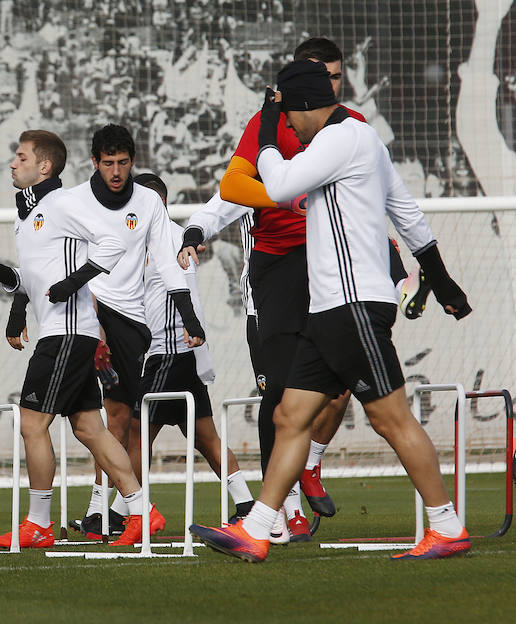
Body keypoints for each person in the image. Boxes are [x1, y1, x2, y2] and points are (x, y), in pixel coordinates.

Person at [190, 59, 472, 562]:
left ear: (299, 106)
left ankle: (447, 526)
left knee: (392, 419)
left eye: (291, 117)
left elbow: (276, 187)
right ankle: (257, 528)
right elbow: (406, 214)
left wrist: (268, 133)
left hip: (353, 305)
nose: (292, 128)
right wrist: (443, 279)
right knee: (290, 415)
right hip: (331, 309)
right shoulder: (358, 139)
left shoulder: (342, 139)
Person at [182, 38, 367, 542]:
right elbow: (231, 190)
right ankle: (279, 509)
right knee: (281, 394)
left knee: (345, 383)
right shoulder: (268, 125)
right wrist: (195, 231)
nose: (328, 85)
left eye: (335, 76)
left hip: (332, 271)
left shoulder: (352, 127)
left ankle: (310, 465)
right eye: (318, 75)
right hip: (272, 278)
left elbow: (374, 192)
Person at [0, 129, 168, 547]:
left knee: (32, 422)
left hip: (67, 333)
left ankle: (40, 522)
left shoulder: (62, 203)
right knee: (90, 429)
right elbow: (31, 277)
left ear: (44, 166)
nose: (13, 163)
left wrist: (73, 283)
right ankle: (142, 511)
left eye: (20, 156)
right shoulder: (27, 213)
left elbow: (113, 242)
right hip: (62, 331)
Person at [72, 124, 206, 540]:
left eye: (123, 163)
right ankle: (117, 510)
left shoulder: (148, 203)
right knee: (68, 419)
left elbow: (169, 265)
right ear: (94, 162)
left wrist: (191, 318)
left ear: (133, 163)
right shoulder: (73, 202)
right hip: (86, 316)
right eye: (108, 163)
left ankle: (117, 511)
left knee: (115, 420)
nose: (116, 171)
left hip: (131, 328)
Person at [129, 173, 254, 522]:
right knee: (204, 436)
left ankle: (128, 512)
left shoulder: (169, 237)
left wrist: (190, 328)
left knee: (137, 433)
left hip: (171, 349)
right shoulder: (141, 239)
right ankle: (246, 505)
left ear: (158, 203)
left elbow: (183, 287)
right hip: (169, 352)